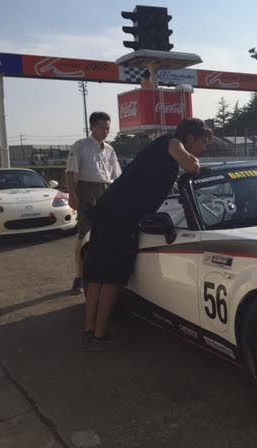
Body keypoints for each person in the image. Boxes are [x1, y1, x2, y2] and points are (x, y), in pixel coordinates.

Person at [82, 118, 211, 350]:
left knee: (98, 275)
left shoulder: (161, 153)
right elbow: (192, 166)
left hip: (107, 209)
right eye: (203, 143)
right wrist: (195, 162)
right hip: (120, 218)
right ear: (189, 138)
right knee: (112, 277)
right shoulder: (171, 143)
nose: (204, 148)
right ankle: (100, 336)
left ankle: (89, 329)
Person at [65, 111, 121, 295]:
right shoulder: (80, 146)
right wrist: (72, 195)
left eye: (108, 128)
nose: (105, 131)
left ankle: (101, 273)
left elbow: (116, 176)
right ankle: (79, 277)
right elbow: (70, 173)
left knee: (106, 236)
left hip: (107, 192)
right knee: (84, 236)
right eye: (102, 128)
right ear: (92, 127)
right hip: (86, 192)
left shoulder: (110, 149)